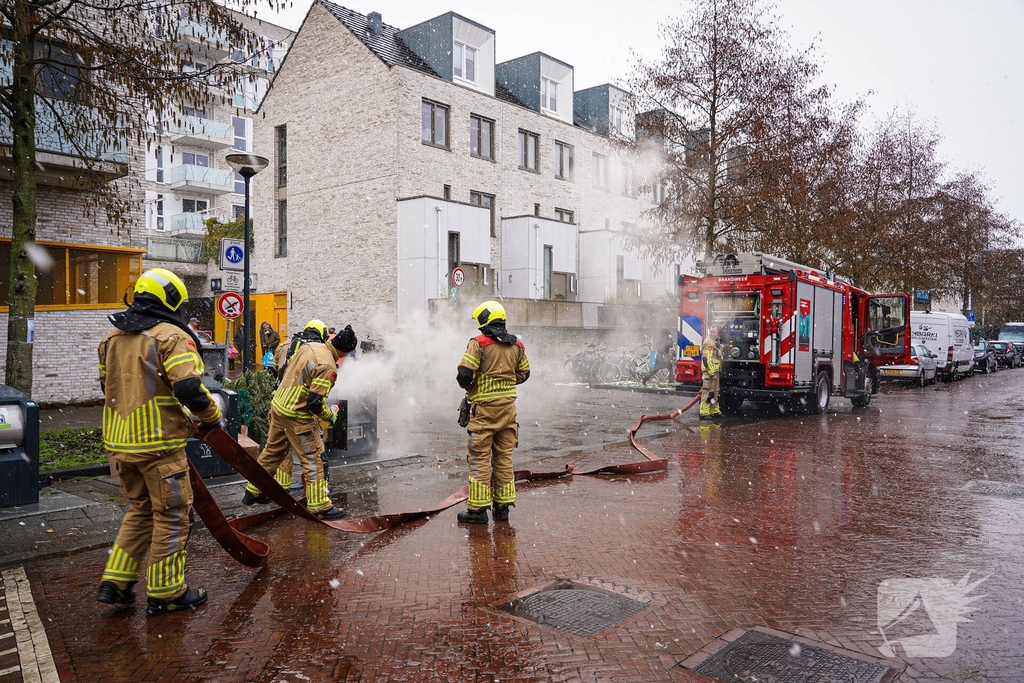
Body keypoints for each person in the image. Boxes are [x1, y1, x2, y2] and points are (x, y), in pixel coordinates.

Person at [96, 268, 222, 616]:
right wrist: (212, 417)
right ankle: (167, 591)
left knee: (140, 511)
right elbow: (188, 388)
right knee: (172, 515)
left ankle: (116, 582)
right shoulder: (169, 336)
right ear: (171, 300)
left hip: (122, 443)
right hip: (159, 445)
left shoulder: (111, 339)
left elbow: (107, 387)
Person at [241, 320, 358, 519]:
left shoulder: (311, 346)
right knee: (314, 459)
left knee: (272, 453)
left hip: (279, 407)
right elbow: (314, 402)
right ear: (345, 352)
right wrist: (329, 415)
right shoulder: (327, 364)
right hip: (297, 415)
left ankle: (253, 492)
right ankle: (319, 506)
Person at [455, 301, 530, 524]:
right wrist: (506, 381)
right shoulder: (517, 345)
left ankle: (477, 511)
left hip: (485, 414)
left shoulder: (478, 344)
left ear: (485, 321)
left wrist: (475, 384)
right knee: (504, 460)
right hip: (509, 413)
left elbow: (464, 375)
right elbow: (524, 375)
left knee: (479, 460)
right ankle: (503, 508)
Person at [700, 324, 722, 420]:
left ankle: (714, 410)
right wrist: (711, 373)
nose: (712, 334)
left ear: (717, 332)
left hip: (715, 372)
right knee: (707, 392)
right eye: (711, 332)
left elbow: (715, 355)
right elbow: (707, 359)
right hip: (710, 373)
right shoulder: (708, 342)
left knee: (715, 392)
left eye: (714, 332)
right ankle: (704, 412)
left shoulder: (715, 341)